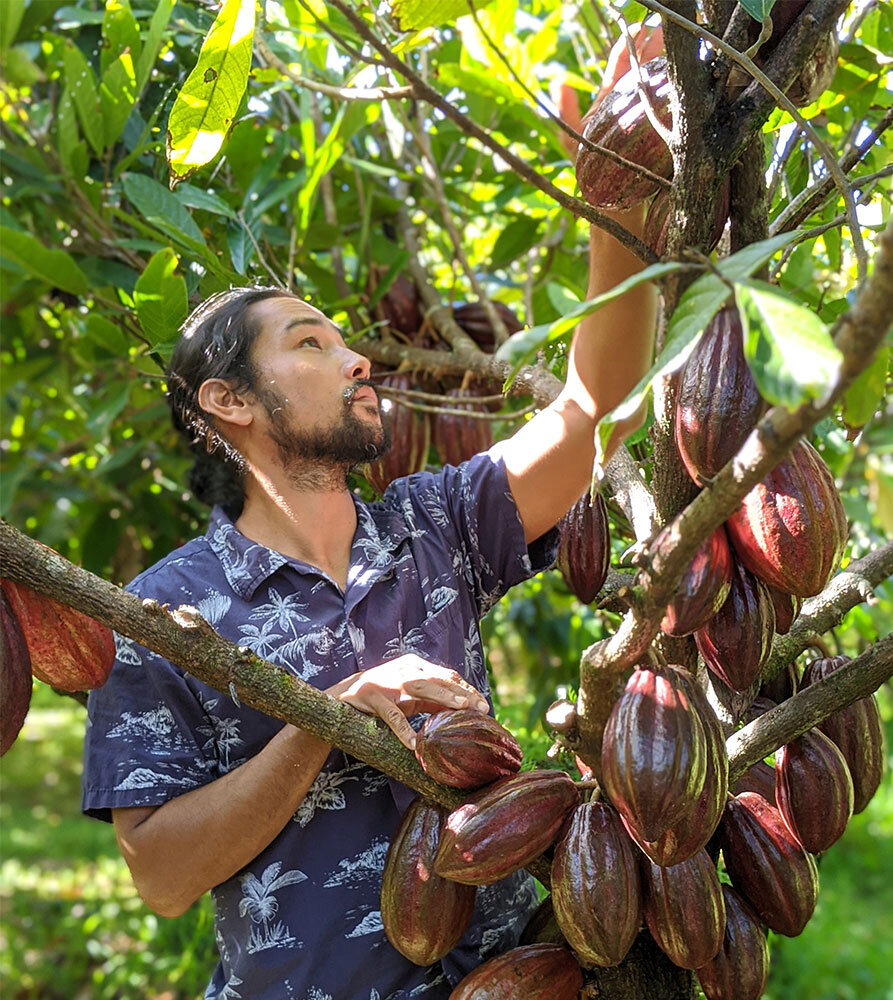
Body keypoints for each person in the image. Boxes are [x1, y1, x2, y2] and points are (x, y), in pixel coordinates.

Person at [81, 42, 658, 1000]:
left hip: (504, 980)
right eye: (312, 343)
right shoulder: (163, 611)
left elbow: (600, 410)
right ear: (229, 402)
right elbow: (164, 875)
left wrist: (615, 206)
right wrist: (328, 722)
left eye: (349, 342)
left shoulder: (439, 524)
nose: (357, 361)